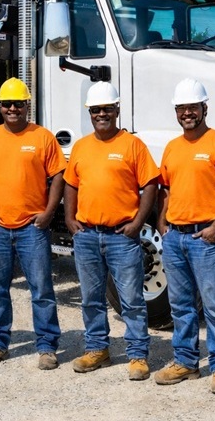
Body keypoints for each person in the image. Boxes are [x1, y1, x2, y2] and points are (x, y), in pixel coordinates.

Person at [155, 78, 215, 395]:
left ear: (204, 108)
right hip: (175, 239)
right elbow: (166, 188)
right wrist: (162, 222)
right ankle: (186, 362)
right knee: (180, 306)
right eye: (182, 108)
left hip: (206, 238)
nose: (187, 113)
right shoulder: (172, 148)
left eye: (193, 107)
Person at [63, 82, 160, 379]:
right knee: (91, 298)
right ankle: (97, 349)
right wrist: (69, 218)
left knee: (131, 300)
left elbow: (151, 184)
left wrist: (137, 223)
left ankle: (137, 355)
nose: (101, 114)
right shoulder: (81, 146)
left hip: (122, 236)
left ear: (117, 110)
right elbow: (70, 183)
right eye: (96, 110)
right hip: (88, 235)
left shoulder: (132, 145)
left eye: (107, 109)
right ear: (89, 113)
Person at [0, 77, 66, 370]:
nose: (13, 109)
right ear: (0, 107)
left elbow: (59, 176)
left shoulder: (43, 137)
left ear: (27, 106)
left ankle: (47, 346)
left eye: (18, 104)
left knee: (42, 289)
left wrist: (48, 213)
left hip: (32, 229)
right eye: (7, 104)